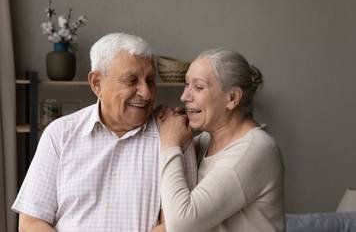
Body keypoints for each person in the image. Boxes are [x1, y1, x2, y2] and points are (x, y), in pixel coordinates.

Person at [12, 33, 197, 232]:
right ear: (97, 82)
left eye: (150, 80)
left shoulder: (174, 137)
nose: (146, 93)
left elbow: (177, 225)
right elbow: (31, 222)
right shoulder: (59, 134)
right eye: (131, 80)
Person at [155, 49, 285, 232]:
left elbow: (180, 224)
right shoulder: (207, 140)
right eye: (186, 84)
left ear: (232, 98)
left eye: (198, 87)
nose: (184, 96)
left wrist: (170, 144)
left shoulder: (254, 152)